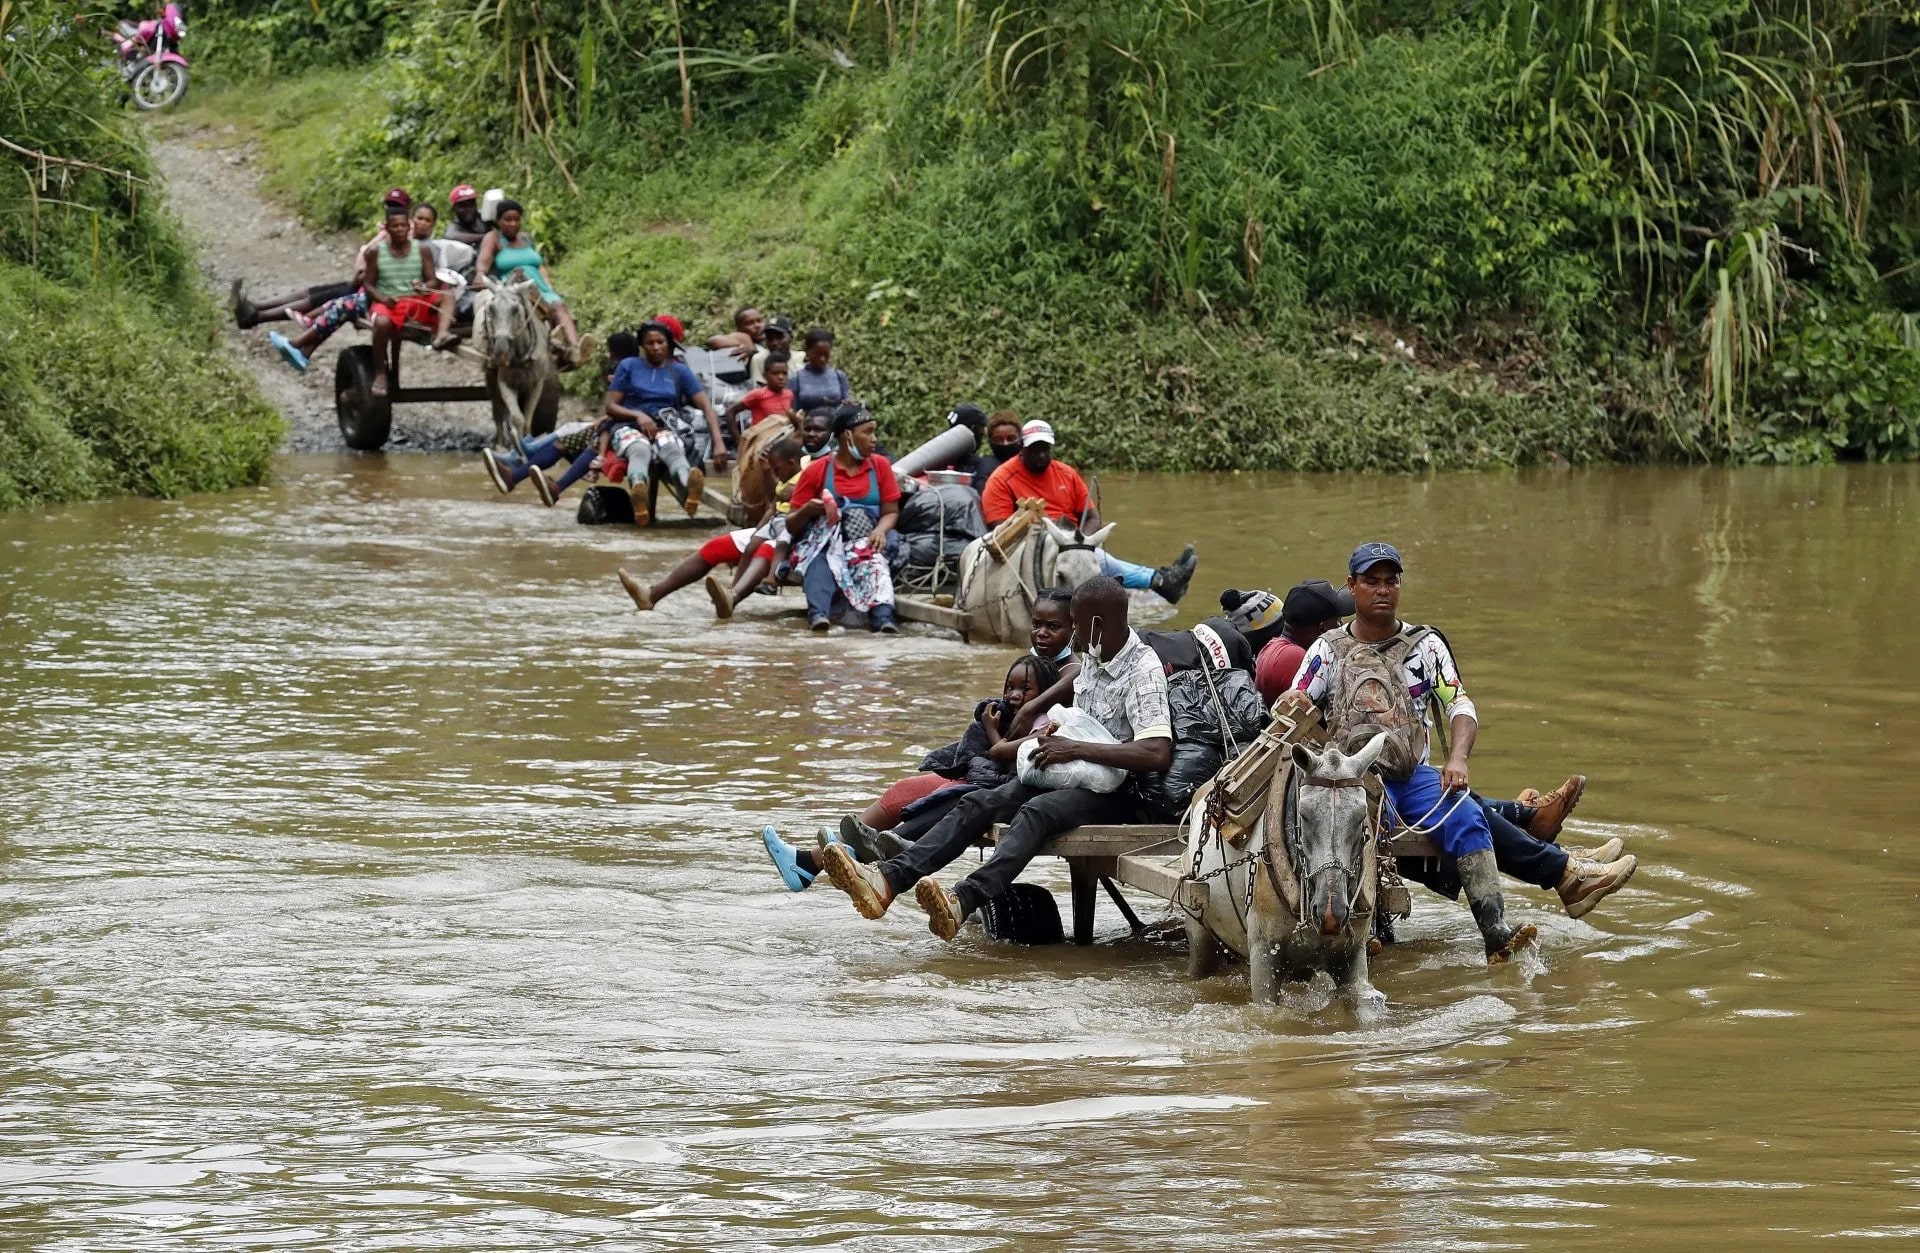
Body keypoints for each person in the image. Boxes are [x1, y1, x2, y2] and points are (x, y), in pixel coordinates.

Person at [1283, 542, 1638, 965]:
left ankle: (1496, 933)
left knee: (1466, 815)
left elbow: (1460, 705)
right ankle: (1367, 930)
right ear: (1352, 586)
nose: (1382, 590)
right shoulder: (1326, 650)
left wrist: (1458, 759)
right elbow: (1294, 708)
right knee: (1363, 828)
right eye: (1371, 582)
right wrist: (1295, 703)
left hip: (1410, 776)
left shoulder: (1426, 646)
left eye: (1390, 581)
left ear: (1400, 586)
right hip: (1350, 779)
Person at [822, 577, 1170, 939]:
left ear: (1097, 624)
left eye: (1077, 625)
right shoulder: (1094, 659)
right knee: (979, 802)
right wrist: (1056, 734)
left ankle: (963, 900)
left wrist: (1074, 748)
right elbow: (1081, 722)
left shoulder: (1143, 670)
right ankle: (888, 881)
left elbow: (1155, 753)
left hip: (1118, 791)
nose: (1075, 637)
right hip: (1072, 770)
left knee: (1037, 812)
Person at [760, 654, 1062, 892]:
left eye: (1025, 689)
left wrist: (992, 731)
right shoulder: (1011, 707)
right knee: (904, 791)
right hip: (980, 776)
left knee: (941, 800)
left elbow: (1001, 754)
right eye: (1010, 687)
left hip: (996, 786)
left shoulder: (1052, 711)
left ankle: (858, 852)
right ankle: (814, 860)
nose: (1014, 694)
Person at [979, 419, 1199, 603]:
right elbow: (999, 527)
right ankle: (1160, 581)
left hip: (1074, 540)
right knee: (1100, 561)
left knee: (1090, 558)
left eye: (1045, 449)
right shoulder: (1001, 479)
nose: (1041, 455)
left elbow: (1092, 516)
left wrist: (1082, 541)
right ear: (1022, 449)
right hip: (1030, 546)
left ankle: (1160, 579)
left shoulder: (1066, 473)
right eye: (1034, 450)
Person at [616, 437, 807, 614]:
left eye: (818, 430)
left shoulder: (823, 465)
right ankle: (652, 595)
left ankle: (732, 597)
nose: (811, 434)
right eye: (808, 429)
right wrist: (766, 474)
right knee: (717, 547)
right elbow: (773, 501)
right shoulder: (798, 463)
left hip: (803, 530)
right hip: (776, 522)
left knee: (765, 549)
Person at [269, 203, 439, 396]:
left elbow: (433, 278)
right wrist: (379, 295)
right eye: (395, 226)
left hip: (408, 302)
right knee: (342, 304)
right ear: (388, 228)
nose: (401, 229)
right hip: (383, 300)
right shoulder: (381, 250)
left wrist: (421, 287)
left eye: (403, 226)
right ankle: (303, 346)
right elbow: (369, 281)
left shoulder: (426, 249)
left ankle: (300, 345)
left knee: (343, 305)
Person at [785, 403, 900, 634]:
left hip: (867, 538)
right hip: (827, 541)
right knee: (819, 565)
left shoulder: (880, 466)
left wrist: (880, 530)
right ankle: (818, 617)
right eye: (867, 432)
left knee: (874, 564)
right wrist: (806, 510)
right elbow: (790, 524)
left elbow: (891, 511)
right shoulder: (817, 470)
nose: (874, 439)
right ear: (847, 435)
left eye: (873, 431)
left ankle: (883, 618)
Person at [603, 320, 729, 525]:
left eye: (660, 342)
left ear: (668, 343)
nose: (655, 347)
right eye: (650, 343)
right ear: (642, 345)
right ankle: (639, 493)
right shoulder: (629, 366)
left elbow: (707, 407)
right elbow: (611, 406)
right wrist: (637, 416)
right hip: (630, 425)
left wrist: (718, 443)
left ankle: (688, 487)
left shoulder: (679, 371)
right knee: (639, 449)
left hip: (666, 426)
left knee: (672, 449)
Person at [475, 199, 585, 367]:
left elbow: (539, 265)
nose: (513, 223)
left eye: (517, 219)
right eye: (508, 219)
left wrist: (548, 285)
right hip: (514, 289)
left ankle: (574, 348)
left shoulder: (526, 238)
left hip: (538, 287)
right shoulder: (494, 238)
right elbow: (482, 266)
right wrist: (481, 278)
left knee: (559, 305)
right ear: (498, 221)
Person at [722, 353, 796, 432]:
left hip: (783, 439)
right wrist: (738, 439)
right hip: (761, 441)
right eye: (775, 373)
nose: (781, 377)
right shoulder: (758, 394)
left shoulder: (789, 394)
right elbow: (730, 412)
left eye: (784, 373)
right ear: (765, 375)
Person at [789, 328, 851, 412]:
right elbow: (793, 411)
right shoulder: (796, 379)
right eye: (818, 354)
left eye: (826, 354)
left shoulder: (839, 376)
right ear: (807, 352)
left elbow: (847, 406)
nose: (822, 359)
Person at [970, 411, 1023, 493]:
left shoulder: (1029, 465)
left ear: (1020, 438)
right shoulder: (987, 467)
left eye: (1011, 438)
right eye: (998, 439)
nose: (1005, 444)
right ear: (990, 441)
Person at [748, 315, 794, 386]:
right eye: (770, 338)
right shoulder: (759, 359)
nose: (774, 343)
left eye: (779, 337)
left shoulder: (802, 358)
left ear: (790, 337)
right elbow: (759, 389)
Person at [443, 184, 489, 248]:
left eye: (471, 205)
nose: (468, 209)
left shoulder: (484, 217)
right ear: (454, 209)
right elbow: (451, 235)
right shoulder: (455, 226)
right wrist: (486, 237)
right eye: (462, 206)